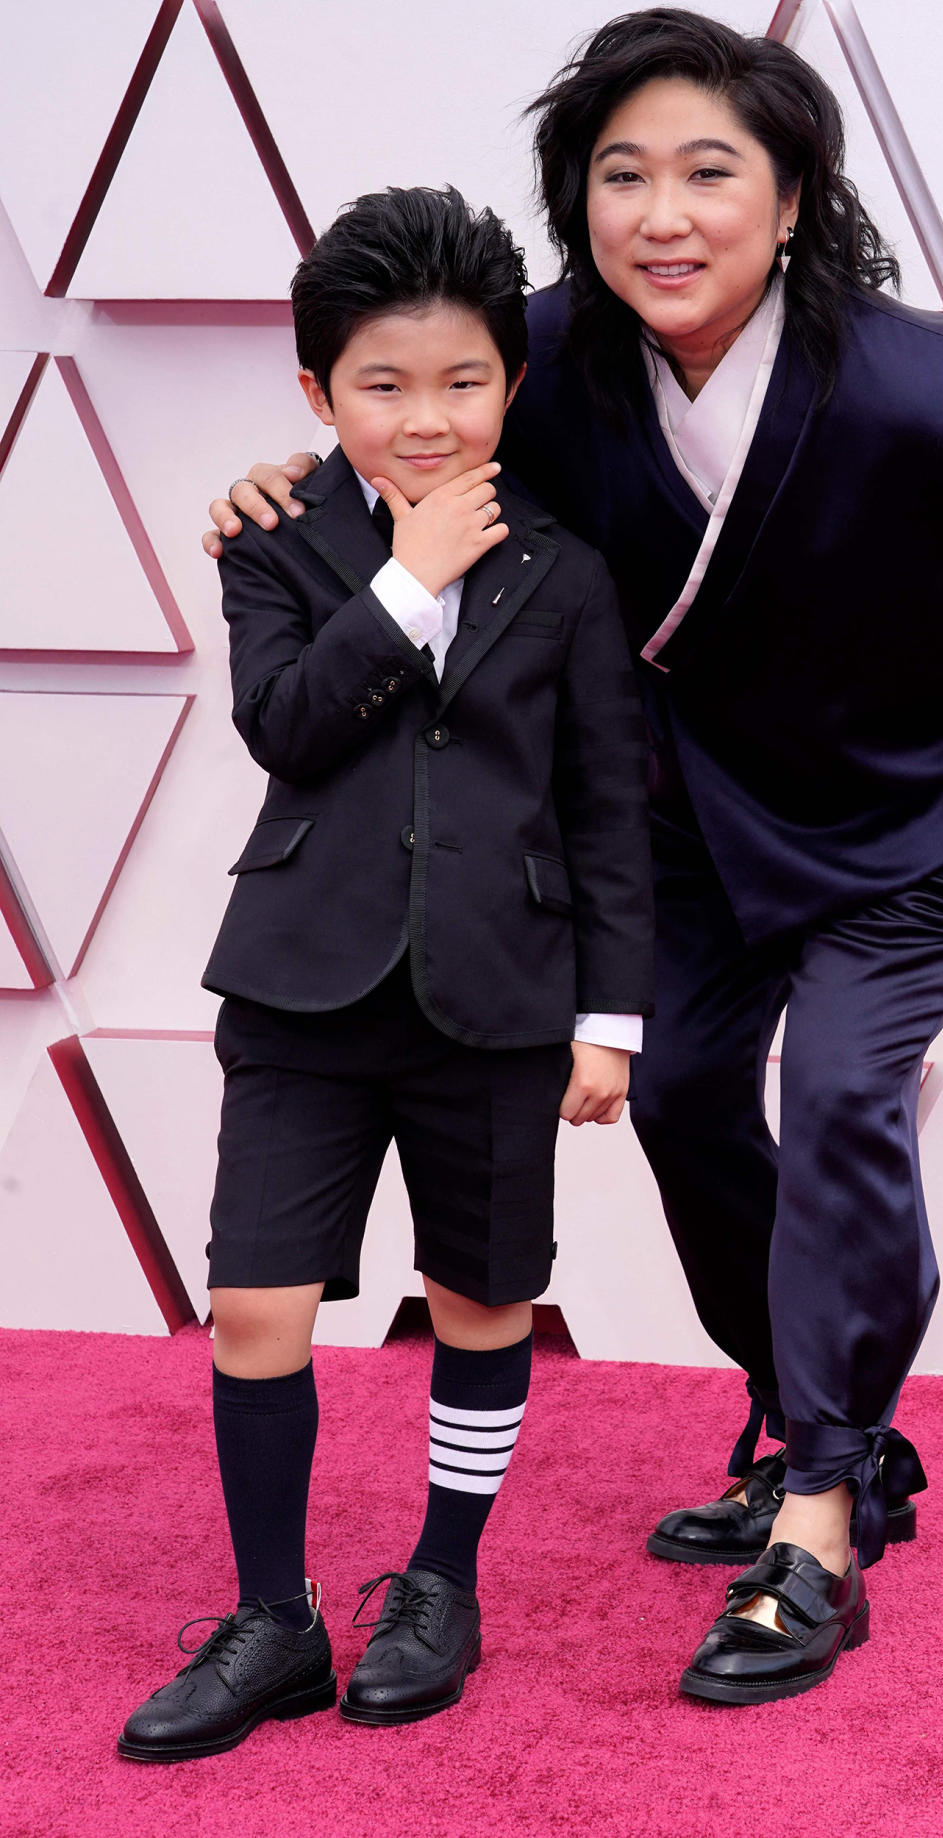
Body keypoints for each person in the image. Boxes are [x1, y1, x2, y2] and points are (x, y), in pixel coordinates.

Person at [206, 10, 943, 1705]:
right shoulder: (558, 354)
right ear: (576, 203)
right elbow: (418, 416)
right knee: (676, 1095)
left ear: (791, 196)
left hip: (905, 824)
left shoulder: (928, 383)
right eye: (620, 174)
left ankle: (821, 1506)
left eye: (708, 172)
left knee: (847, 1098)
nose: (663, 212)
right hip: (695, 824)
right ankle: (790, 1404)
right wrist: (285, 493)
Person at [119, 185, 652, 1762]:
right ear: (316, 393)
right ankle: (273, 1615)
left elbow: (607, 807)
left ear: (514, 381)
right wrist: (406, 575)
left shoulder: (567, 571)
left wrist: (607, 1020)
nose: (427, 416)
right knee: (251, 1305)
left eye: (465, 382)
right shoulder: (276, 536)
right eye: (383, 385)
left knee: (483, 1297)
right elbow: (285, 723)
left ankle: (439, 1581)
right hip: (297, 987)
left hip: (504, 991)